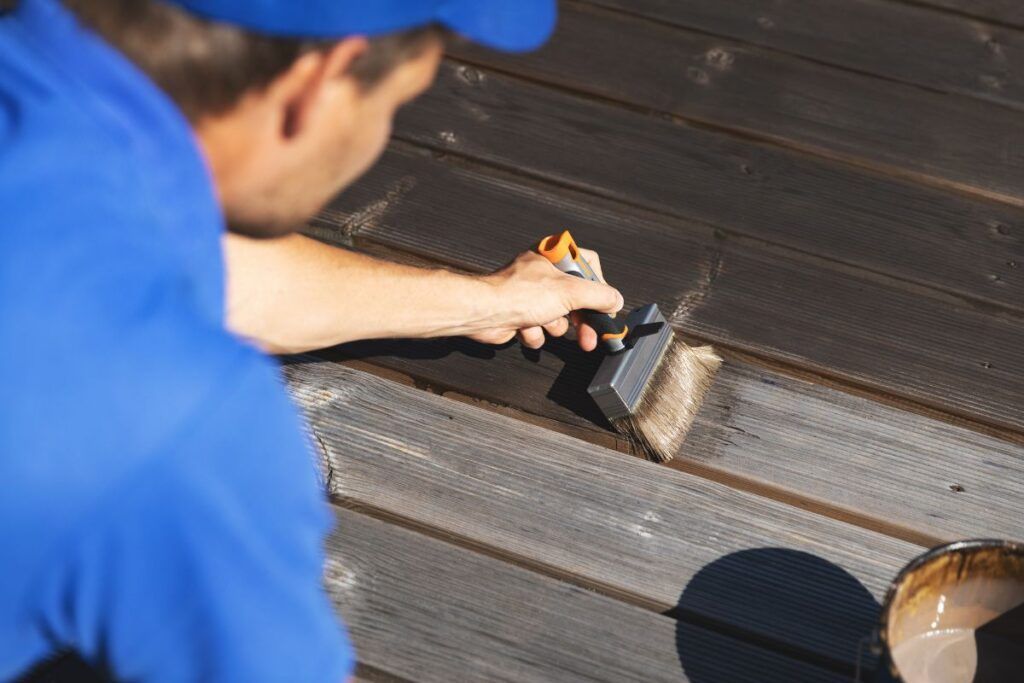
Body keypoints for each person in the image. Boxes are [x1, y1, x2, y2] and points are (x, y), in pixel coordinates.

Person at [0, 0, 625, 680]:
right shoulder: (185, 430)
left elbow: (204, 267)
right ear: (324, 77)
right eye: (396, 102)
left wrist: (487, 301)